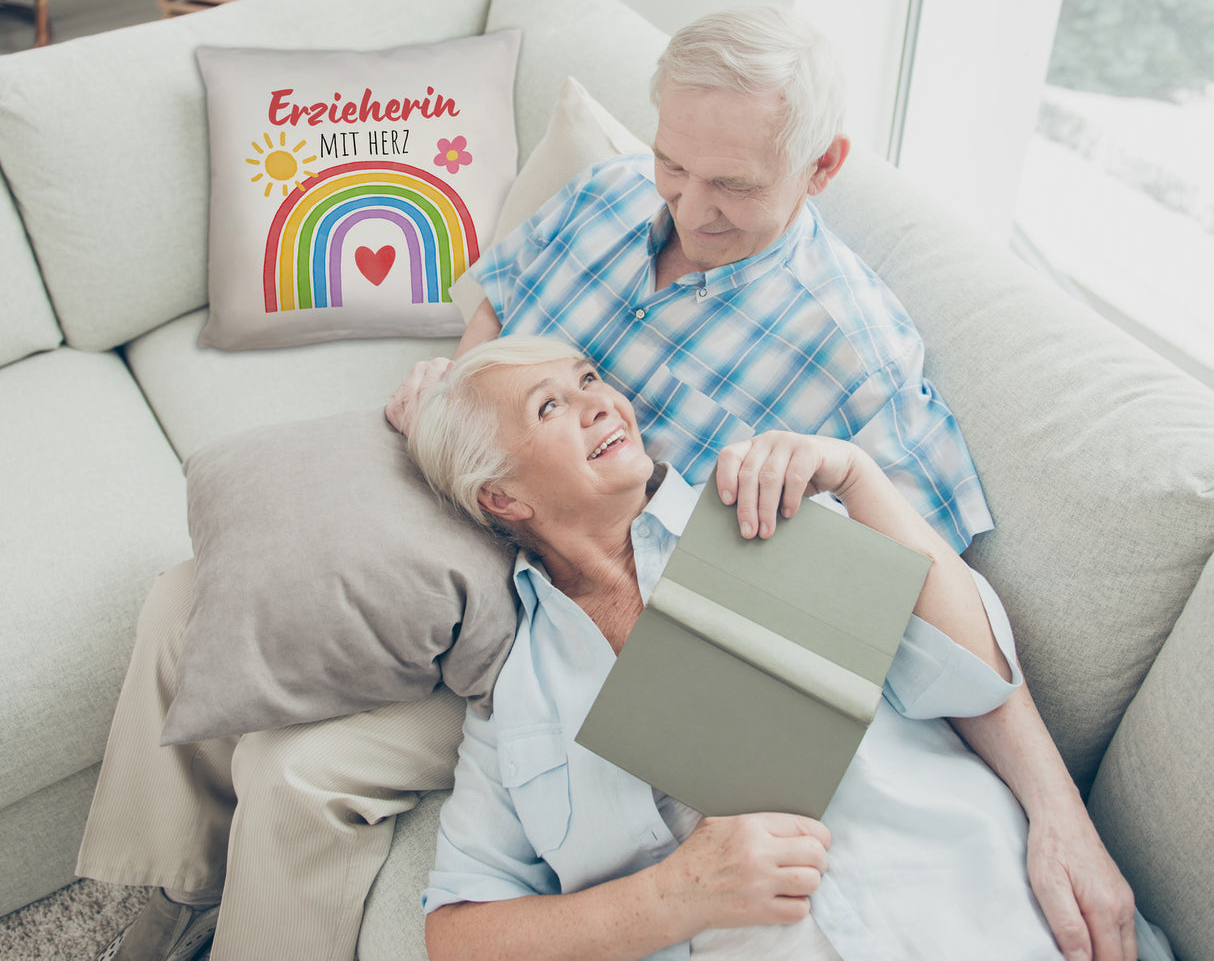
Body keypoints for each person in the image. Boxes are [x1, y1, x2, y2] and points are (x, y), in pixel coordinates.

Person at [388, 6, 1136, 960]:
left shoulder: (831, 407)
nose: (689, 209)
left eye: (732, 185)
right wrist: (463, 402)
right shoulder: (609, 197)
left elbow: (944, 633)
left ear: (822, 167)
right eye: (674, 165)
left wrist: (1058, 814)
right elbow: (503, 293)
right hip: (494, 582)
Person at [407, 335, 1160, 961]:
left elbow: (972, 676)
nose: (601, 402)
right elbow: (458, 935)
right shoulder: (516, 699)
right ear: (502, 497)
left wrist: (859, 478)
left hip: (985, 914)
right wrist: (674, 896)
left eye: (589, 379)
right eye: (550, 406)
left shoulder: (762, 508)